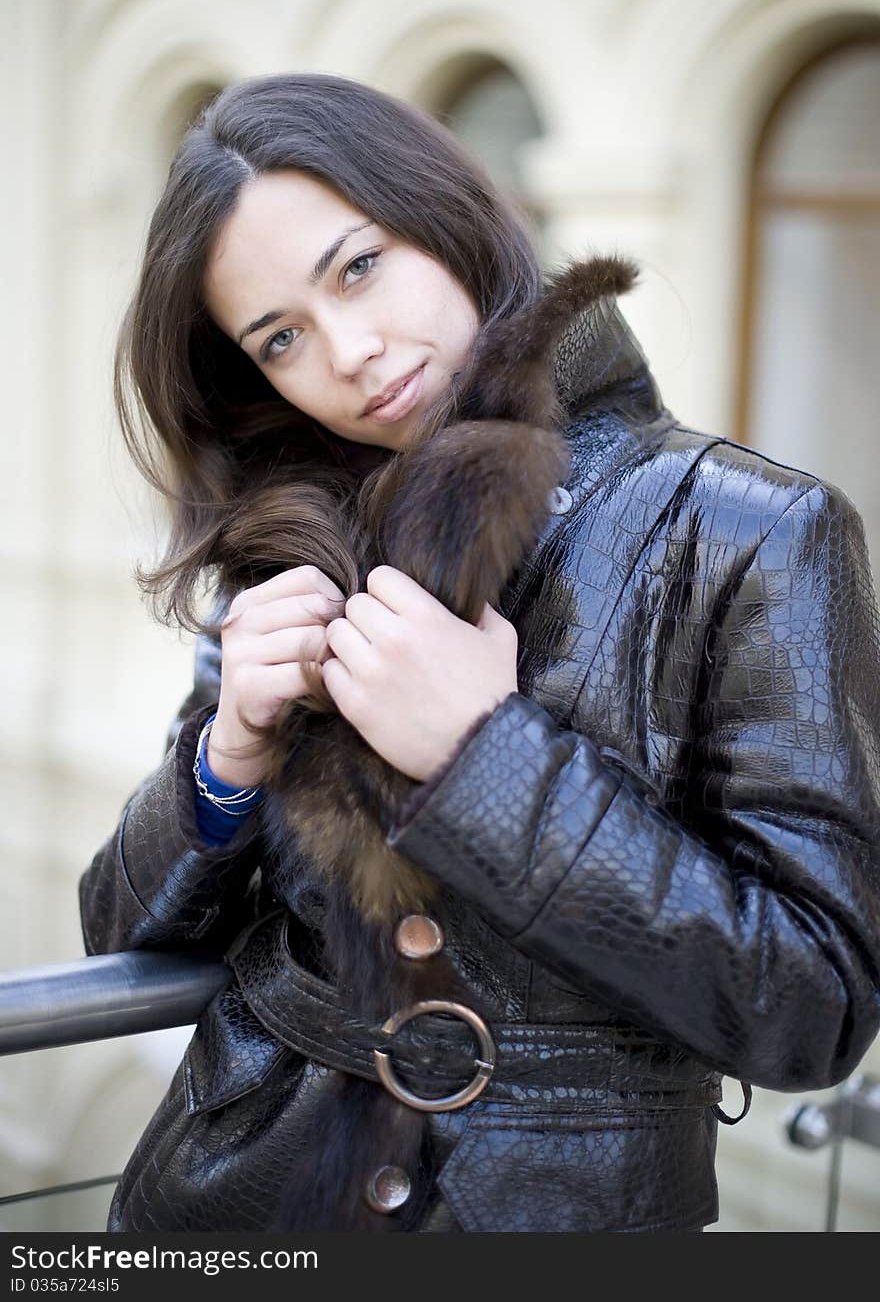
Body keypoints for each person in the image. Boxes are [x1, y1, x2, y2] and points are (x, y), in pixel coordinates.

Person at [78, 72, 880, 1234]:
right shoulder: (288, 547)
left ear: (446, 215)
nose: (348, 352)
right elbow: (118, 937)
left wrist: (487, 759)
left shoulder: (749, 531)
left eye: (358, 266)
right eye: (280, 337)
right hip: (232, 1196)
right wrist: (226, 756)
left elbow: (814, 1006)